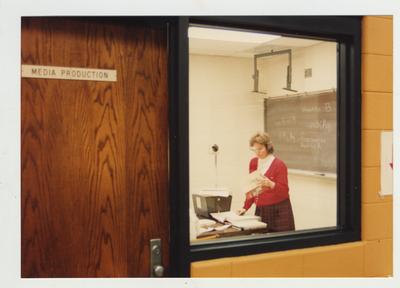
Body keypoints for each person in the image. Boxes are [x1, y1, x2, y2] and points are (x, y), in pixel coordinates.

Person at [237, 132, 295, 233]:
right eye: (255, 149)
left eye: (260, 149)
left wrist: (271, 184)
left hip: (278, 210)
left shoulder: (279, 165)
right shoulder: (253, 163)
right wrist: (245, 207)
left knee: (280, 244)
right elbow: (252, 188)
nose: (257, 152)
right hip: (261, 209)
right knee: (262, 243)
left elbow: (285, 191)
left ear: (268, 147)